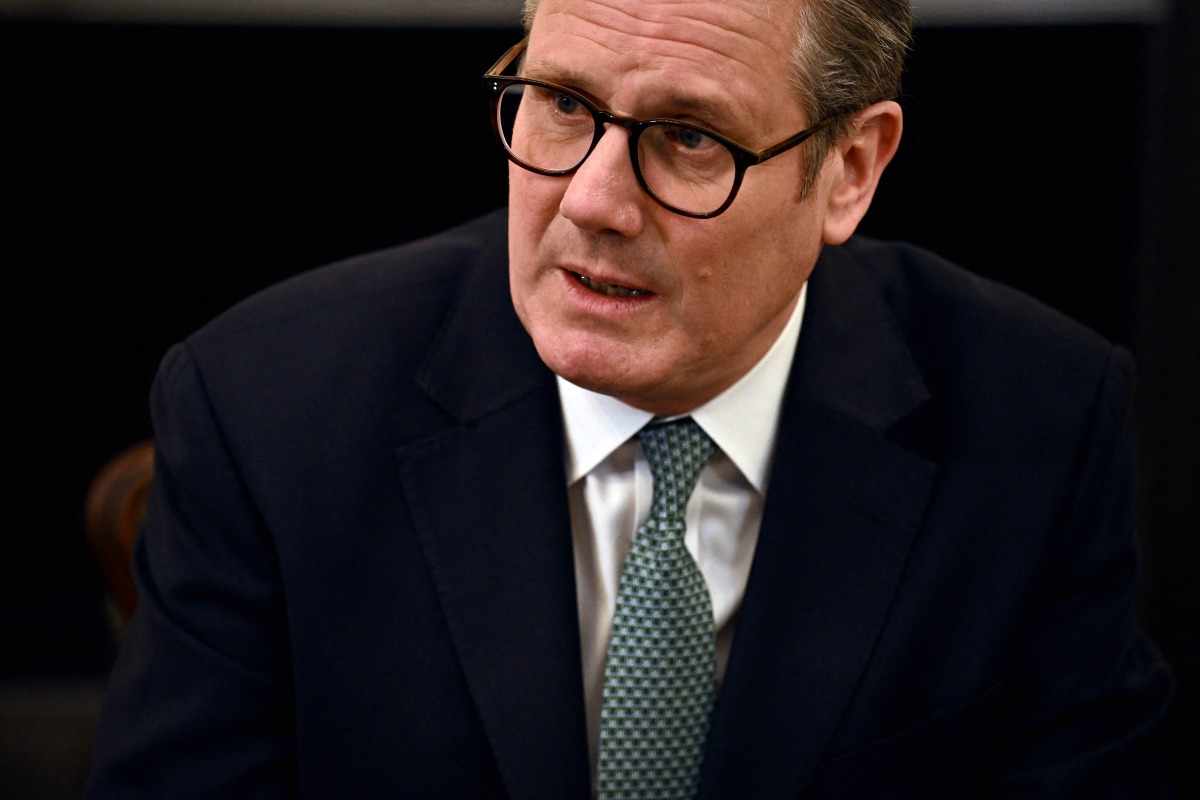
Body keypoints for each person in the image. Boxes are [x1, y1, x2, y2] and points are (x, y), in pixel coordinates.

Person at [87, 0, 1175, 797]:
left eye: (689, 136)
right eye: (562, 104)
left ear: (850, 167)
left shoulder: (1040, 420)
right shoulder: (266, 406)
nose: (593, 201)